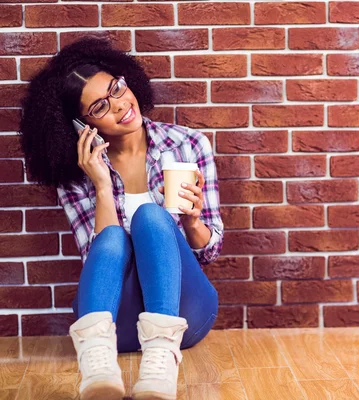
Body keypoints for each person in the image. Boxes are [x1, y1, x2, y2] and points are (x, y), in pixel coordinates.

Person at [18, 37, 223, 400]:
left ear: (126, 80)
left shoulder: (188, 144)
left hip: (184, 312)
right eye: (100, 106)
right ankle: (97, 368)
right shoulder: (76, 174)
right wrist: (100, 185)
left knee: (150, 217)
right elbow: (98, 261)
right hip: (117, 322)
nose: (120, 105)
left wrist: (192, 223)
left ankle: (161, 363)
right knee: (110, 239)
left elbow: (209, 252)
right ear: (82, 126)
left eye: (116, 88)